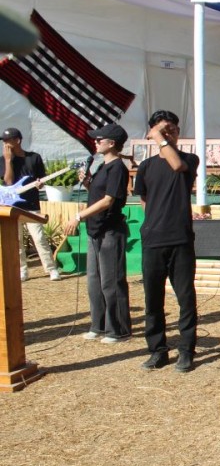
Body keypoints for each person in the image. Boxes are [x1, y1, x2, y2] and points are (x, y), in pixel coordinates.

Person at [131, 110, 199, 372]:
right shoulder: (146, 166)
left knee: (185, 297)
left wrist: (160, 138)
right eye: (162, 130)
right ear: (152, 133)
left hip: (180, 238)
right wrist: (151, 227)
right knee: (153, 299)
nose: (168, 134)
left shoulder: (189, 159)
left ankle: (186, 350)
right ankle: (158, 350)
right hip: (154, 240)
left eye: (172, 129)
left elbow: (177, 166)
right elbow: (144, 200)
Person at [63, 124, 132, 344]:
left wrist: (79, 216)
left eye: (98, 139)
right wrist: (87, 181)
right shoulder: (103, 166)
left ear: (111, 143)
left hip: (110, 230)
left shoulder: (118, 168)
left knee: (111, 281)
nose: (95, 142)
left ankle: (118, 329)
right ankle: (99, 325)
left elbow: (108, 200)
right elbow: (99, 192)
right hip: (95, 230)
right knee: (94, 280)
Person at [0, 128, 60, 281]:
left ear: (17, 141)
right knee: (16, 240)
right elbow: (8, 182)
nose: (5, 144)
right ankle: (22, 270)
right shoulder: (3, 160)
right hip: (12, 206)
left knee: (39, 238)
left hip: (31, 204)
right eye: (4, 141)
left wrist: (40, 185)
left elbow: (42, 180)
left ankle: (51, 269)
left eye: (8, 140)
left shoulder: (34, 158)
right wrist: (8, 161)